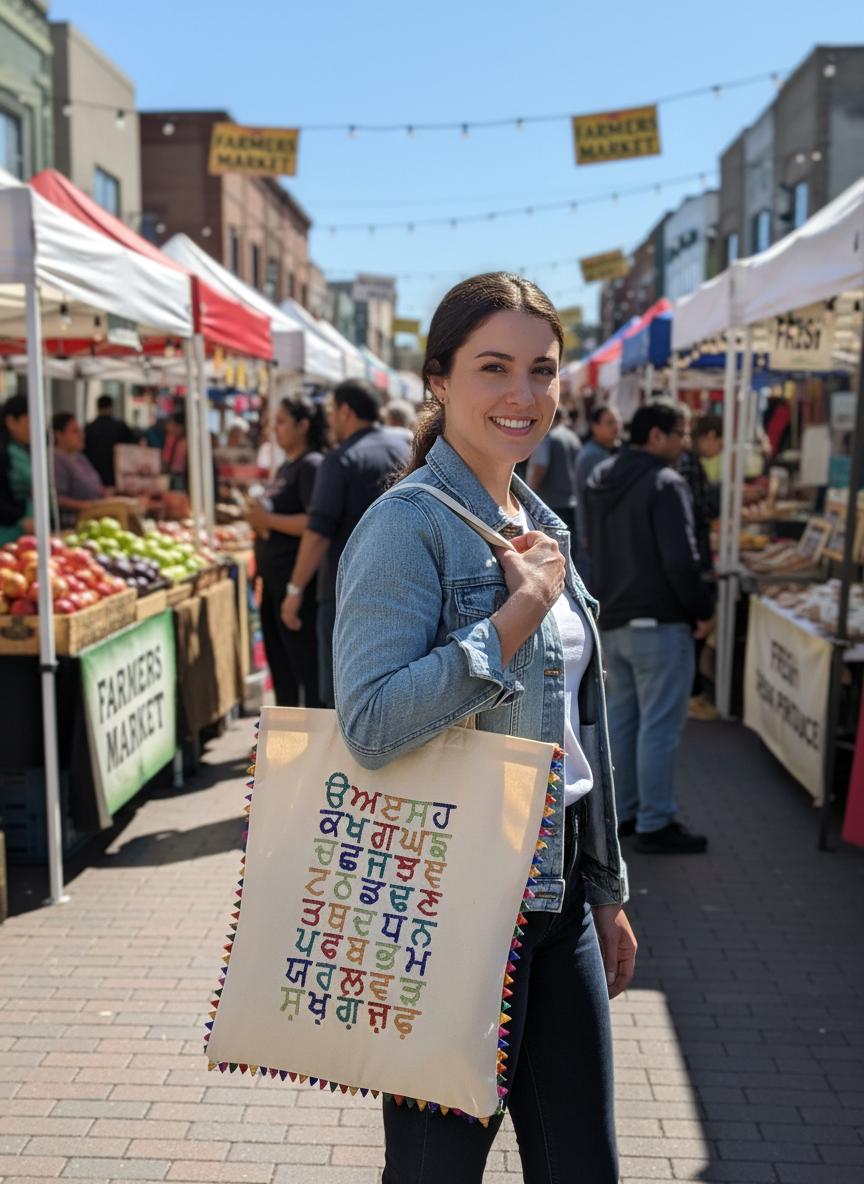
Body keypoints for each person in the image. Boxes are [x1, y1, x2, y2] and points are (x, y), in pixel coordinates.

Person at [334, 274, 634, 1182]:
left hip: (561, 894)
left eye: (541, 371)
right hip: (457, 899)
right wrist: (511, 619)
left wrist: (606, 885)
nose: (523, 394)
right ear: (437, 380)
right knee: (435, 1174)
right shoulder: (406, 527)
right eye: (493, 367)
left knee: (583, 1168)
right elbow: (373, 722)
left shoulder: (539, 524)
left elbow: (581, 727)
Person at [586, 400, 715, 854]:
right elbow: (682, 561)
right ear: (657, 436)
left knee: (623, 721)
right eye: (679, 434)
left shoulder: (600, 477)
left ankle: (626, 815)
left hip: (613, 619)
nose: (683, 442)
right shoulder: (665, 482)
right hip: (658, 623)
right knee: (657, 726)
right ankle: (655, 822)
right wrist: (702, 608)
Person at [280, 379, 410, 708]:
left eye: (331, 411)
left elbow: (318, 533)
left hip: (345, 595)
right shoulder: (406, 448)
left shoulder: (341, 458)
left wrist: (294, 591)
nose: (330, 420)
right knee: (391, 693)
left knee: (339, 699)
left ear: (346, 411)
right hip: (404, 590)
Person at [246, 395, 327, 708]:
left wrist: (267, 519)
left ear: (303, 425)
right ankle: (284, 747)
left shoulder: (311, 466)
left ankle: (304, 748)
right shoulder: (287, 467)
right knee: (281, 672)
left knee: (302, 671)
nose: (275, 429)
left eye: (281, 422)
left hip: (296, 585)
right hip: (275, 583)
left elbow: (313, 523)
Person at [678, 414, 723, 722]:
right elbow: (699, 511)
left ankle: (690, 691)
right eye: (719, 440)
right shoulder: (691, 466)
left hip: (692, 557)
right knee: (697, 629)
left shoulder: (688, 464)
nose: (720, 448)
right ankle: (692, 693)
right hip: (695, 560)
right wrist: (722, 494)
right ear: (708, 435)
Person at [575, 405, 621, 585]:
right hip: (595, 532)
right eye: (610, 422)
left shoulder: (606, 451)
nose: (616, 426)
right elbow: (590, 500)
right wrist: (585, 532)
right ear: (594, 426)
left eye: (617, 421)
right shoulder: (592, 456)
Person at [525, 403, 580, 545]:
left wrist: (526, 497)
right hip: (572, 504)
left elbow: (540, 468)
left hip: (550, 506)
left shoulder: (547, 437)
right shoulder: (573, 437)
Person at [51, 412, 105, 529]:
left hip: (94, 521)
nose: (82, 435)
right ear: (58, 435)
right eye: (75, 431)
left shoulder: (79, 457)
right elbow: (55, 498)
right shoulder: (55, 458)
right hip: (72, 525)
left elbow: (97, 487)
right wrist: (84, 506)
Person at [0, 394, 33, 546]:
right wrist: (19, 520)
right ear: (11, 421)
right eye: (30, 420)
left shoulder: (23, 450)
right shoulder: (4, 452)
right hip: (8, 532)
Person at [84, 394, 134, 487]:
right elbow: (132, 449)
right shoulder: (120, 427)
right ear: (111, 407)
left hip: (93, 476)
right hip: (117, 476)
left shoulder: (89, 428)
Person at [162, 410, 188, 491]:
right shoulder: (172, 440)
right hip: (173, 475)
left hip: (182, 477)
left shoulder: (185, 443)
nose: (170, 427)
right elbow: (166, 459)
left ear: (181, 427)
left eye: (173, 424)